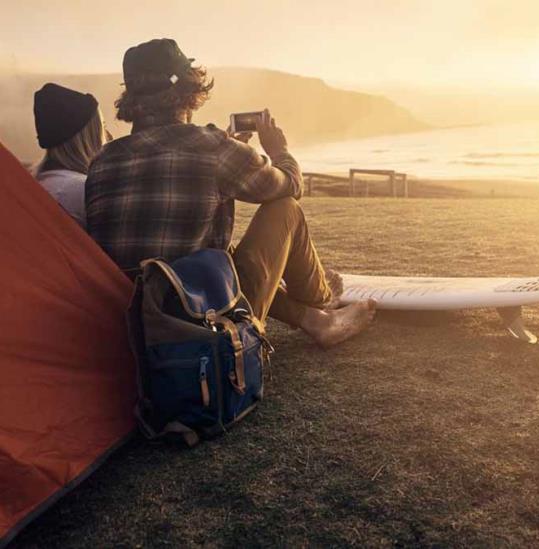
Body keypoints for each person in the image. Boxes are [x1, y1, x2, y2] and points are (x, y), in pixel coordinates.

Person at [85, 38, 375, 348]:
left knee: (210, 252)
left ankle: (312, 319)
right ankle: (324, 302)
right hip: (208, 325)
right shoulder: (212, 147)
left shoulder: (102, 160)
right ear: (189, 88)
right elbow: (290, 184)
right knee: (284, 209)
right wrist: (279, 151)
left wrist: (229, 150)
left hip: (133, 330)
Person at [33, 83, 107, 228]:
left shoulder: (38, 183)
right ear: (89, 137)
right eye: (102, 127)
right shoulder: (83, 190)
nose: (107, 136)